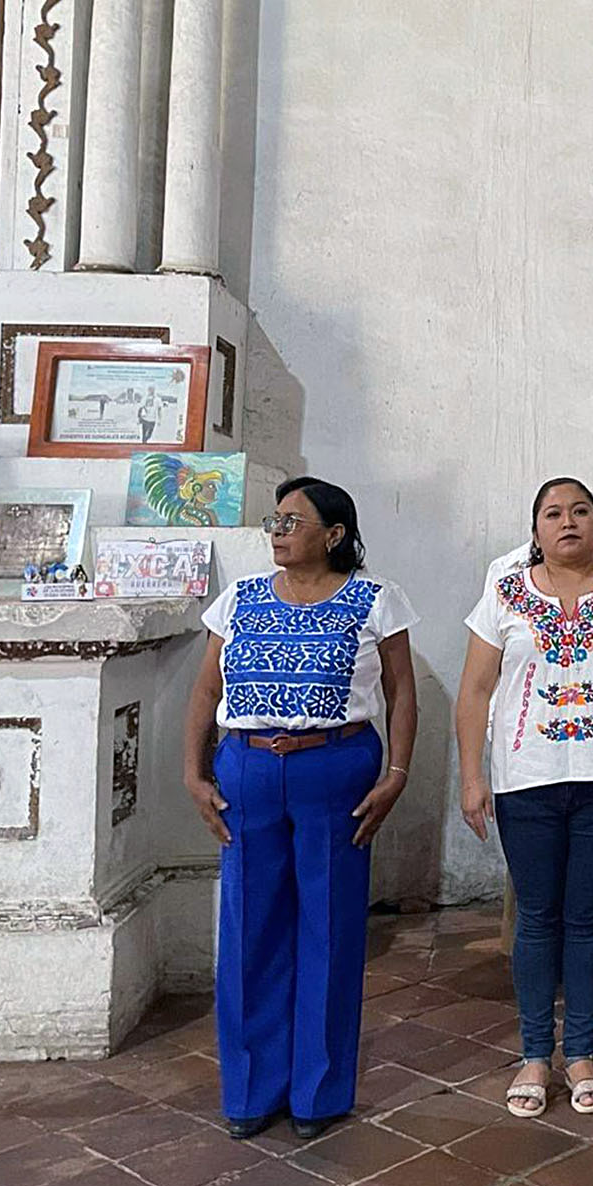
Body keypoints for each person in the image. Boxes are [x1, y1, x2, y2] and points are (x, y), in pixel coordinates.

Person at [180, 477, 419, 1140]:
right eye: (274, 521)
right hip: (249, 768)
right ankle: (251, 1089)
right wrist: (193, 772)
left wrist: (397, 773)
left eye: (292, 521)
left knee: (330, 925)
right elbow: (205, 691)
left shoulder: (376, 599)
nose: (278, 531)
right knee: (250, 926)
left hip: (335, 768)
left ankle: (318, 1092)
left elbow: (402, 692)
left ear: (334, 534)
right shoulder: (239, 598)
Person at [455, 478, 593, 1119]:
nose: (567, 521)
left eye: (580, 511)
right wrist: (471, 778)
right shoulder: (505, 594)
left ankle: (581, 1051)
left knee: (585, 919)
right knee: (536, 918)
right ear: (536, 531)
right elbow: (474, 691)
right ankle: (533, 1055)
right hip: (524, 780)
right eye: (553, 513)